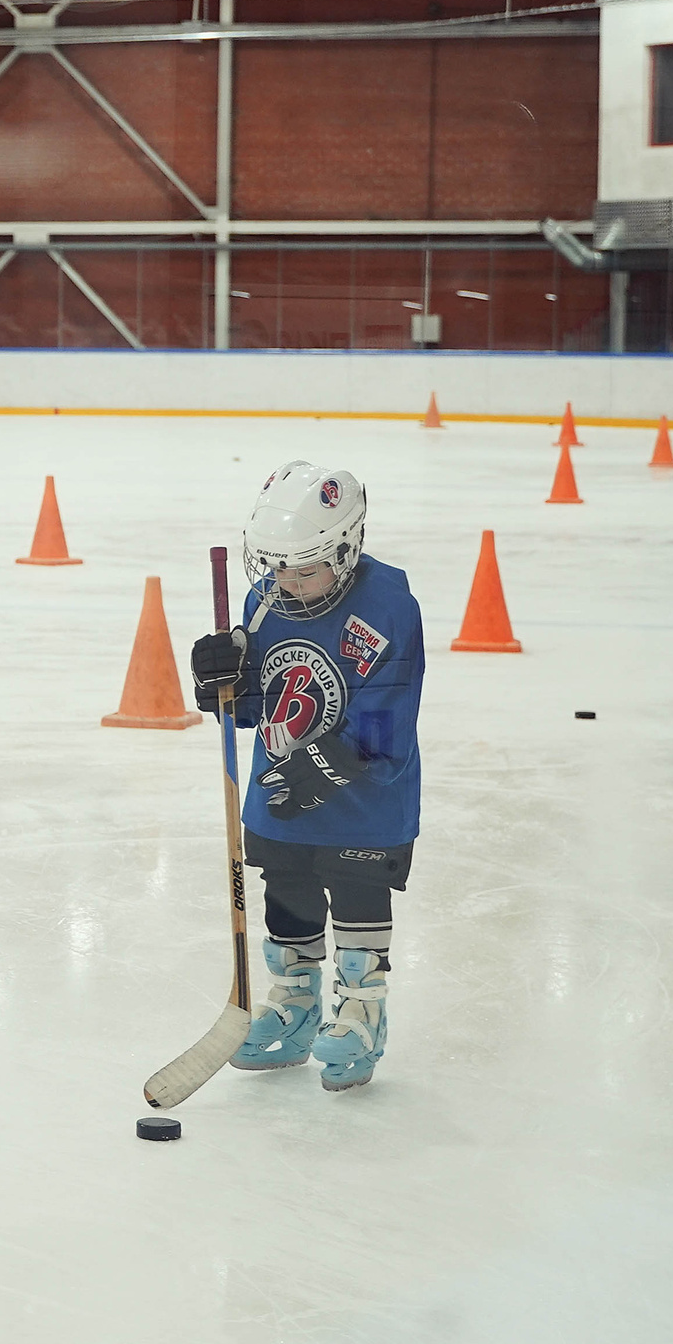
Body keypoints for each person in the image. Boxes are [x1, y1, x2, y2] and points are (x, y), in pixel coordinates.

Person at [187, 463, 425, 1091]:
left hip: (364, 805)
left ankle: (361, 1015)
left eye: (304, 568)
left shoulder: (387, 607)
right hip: (280, 794)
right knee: (287, 895)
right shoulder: (264, 603)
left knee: (356, 898)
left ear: (345, 552)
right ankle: (294, 1008)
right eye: (276, 567)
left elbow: (388, 722)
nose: (287, 582)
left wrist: (322, 768)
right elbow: (253, 707)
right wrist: (218, 683)